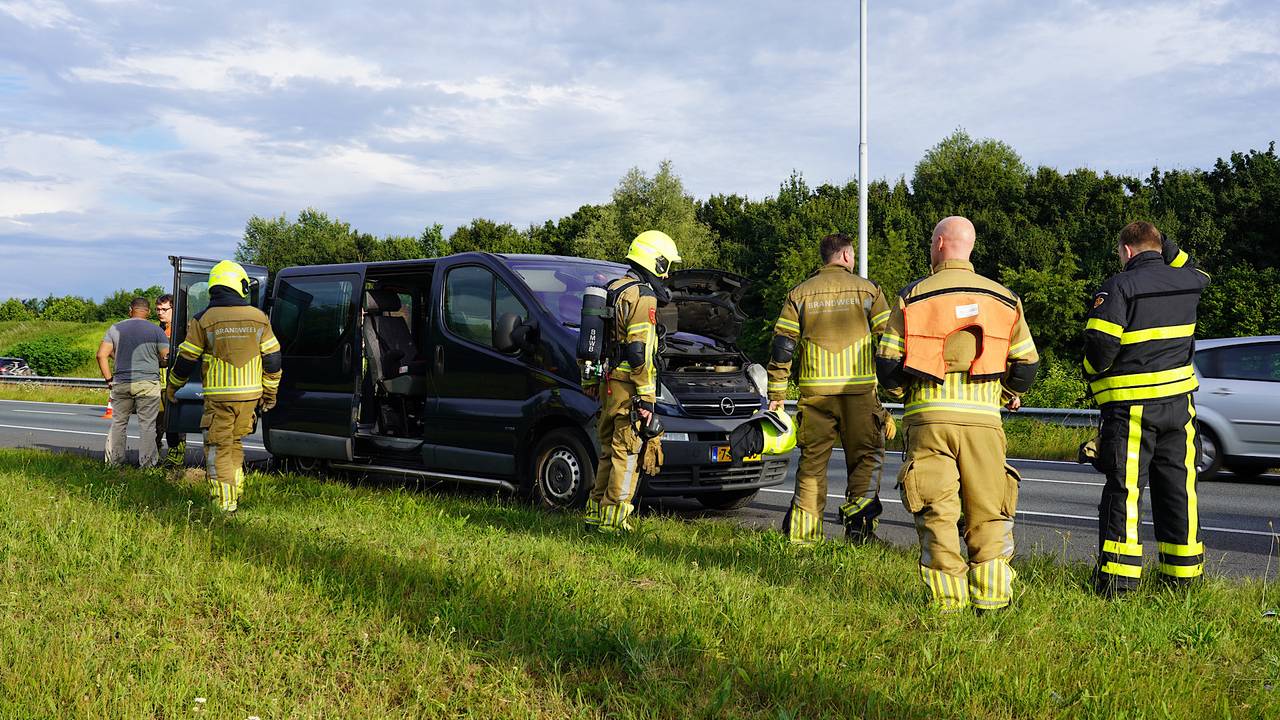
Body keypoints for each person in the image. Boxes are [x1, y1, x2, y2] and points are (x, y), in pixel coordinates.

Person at [875, 216, 1039, 612]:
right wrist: (1007, 393)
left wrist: (904, 393)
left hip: (929, 419)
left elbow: (887, 362)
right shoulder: (1005, 298)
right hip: (984, 421)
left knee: (937, 512)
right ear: (971, 246)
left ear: (939, 244)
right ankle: (993, 598)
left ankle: (947, 603)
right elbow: (1027, 362)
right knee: (990, 511)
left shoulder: (912, 296)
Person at [1084, 222, 1209, 597]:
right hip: (1181, 408)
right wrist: (1162, 243)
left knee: (1126, 493)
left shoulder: (1119, 286)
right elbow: (1194, 267)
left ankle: (1118, 584)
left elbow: (1100, 348)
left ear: (1126, 251)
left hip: (1132, 409)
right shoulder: (1189, 280)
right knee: (1179, 492)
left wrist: (1090, 373)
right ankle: (1183, 581)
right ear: (1158, 246)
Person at [766, 232, 892, 544]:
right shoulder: (869, 290)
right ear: (847, 256)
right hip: (860, 394)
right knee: (867, 458)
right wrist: (897, 390)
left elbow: (783, 347)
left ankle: (804, 538)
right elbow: (889, 344)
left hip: (815, 395)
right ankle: (860, 532)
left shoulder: (799, 293)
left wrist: (777, 394)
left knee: (812, 465)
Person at [583, 230, 680, 533]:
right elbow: (639, 352)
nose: (668, 274)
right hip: (629, 387)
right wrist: (647, 398)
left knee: (608, 452)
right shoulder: (643, 295)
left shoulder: (615, 287)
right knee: (627, 453)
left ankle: (594, 513)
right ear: (656, 261)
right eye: (667, 266)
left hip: (608, 382)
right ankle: (615, 521)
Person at [167, 261, 281, 514]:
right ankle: (235, 492)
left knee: (218, 449)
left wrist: (172, 387)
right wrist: (270, 393)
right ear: (240, 285)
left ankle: (224, 505)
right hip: (250, 397)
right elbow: (273, 359)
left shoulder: (204, 319)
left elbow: (186, 359)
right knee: (234, 444)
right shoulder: (259, 318)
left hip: (219, 399)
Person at [98, 297, 170, 467]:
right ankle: (147, 465)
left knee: (119, 423)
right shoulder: (156, 330)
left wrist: (109, 380)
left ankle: (114, 462)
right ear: (148, 312)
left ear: (130, 310)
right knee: (147, 426)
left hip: (121, 382)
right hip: (148, 383)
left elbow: (101, 355)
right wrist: (156, 361)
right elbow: (166, 357)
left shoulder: (115, 328)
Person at [154, 293, 186, 466]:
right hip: (156, 384)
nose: (160, 313)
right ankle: (153, 455)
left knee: (175, 424)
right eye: (158, 309)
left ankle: (176, 458)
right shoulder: (156, 330)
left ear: (174, 309)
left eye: (164, 309)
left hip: (175, 384)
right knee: (156, 424)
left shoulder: (183, 332)